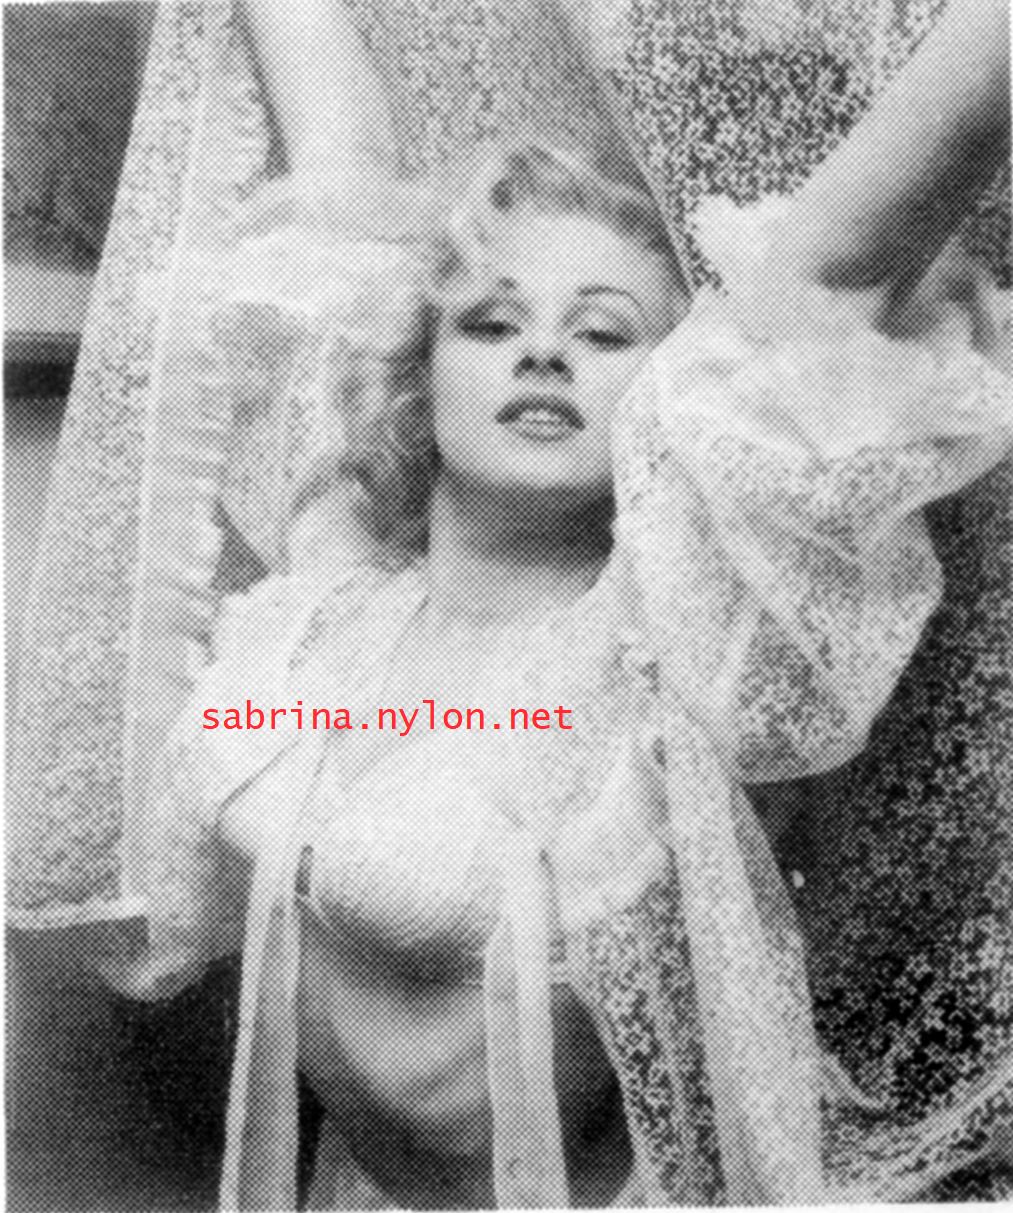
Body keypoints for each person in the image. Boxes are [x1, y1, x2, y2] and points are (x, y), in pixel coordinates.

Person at [13, 0, 1013, 1207]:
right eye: (492, 322)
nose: (541, 353)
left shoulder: (663, 651)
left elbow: (831, 269)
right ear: (416, 365)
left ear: (677, 398)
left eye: (602, 331)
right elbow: (340, 153)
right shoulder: (329, 579)